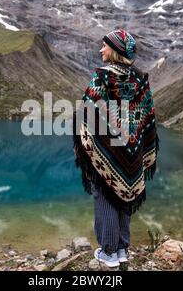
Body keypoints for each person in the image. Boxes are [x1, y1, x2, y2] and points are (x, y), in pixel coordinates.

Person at [73, 29, 159, 267]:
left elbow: (88, 113)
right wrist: (143, 148)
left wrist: (84, 145)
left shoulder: (102, 76)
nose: (101, 50)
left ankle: (109, 252)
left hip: (107, 150)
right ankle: (122, 248)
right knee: (124, 195)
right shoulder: (141, 79)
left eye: (104, 46)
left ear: (115, 50)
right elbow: (147, 117)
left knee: (107, 196)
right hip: (132, 152)